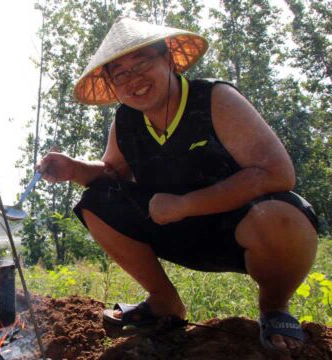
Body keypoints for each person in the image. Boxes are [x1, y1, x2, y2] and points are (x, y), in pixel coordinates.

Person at [38, 18, 319, 353]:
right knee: (96, 201)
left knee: (283, 217)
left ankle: (274, 308)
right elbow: (111, 174)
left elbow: (276, 173)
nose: (134, 80)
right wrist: (75, 168)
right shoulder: (126, 120)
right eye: (121, 74)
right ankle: (163, 303)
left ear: (168, 60)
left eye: (142, 63)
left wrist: (187, 205)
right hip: (173, 229)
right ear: (113, 87)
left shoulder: (215, 99)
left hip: (240, 228)